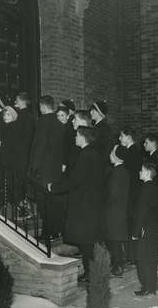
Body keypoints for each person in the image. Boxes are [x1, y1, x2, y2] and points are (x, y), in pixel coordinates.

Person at [48, 126, 104, 283]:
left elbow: (75, 180)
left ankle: (89, 274)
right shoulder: (96, 154)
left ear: (84, 137)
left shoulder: (85, 155)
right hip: (92, 203)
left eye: (77, 135)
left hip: (83, 204)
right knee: (89, 241)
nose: (75, 137)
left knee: (86, 242)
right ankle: (91, 272)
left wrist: (54, 187)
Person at [28, 95, 65, 238]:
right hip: (56, 169)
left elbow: (39, 146)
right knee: (53, 200)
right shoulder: (59, 122)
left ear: (42, 107)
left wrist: (34, 167)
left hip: (44, 169)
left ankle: (47, 231)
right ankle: (55, 230)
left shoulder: (43, 121)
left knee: (43, 201)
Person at [132, 162, 158, 296]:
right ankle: (153, 286)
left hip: (145, 229)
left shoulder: (145, 188)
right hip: (154, 229)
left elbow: (141, 212)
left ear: (148, 173)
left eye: (141, 170)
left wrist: (136, 232)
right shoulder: (155, 187)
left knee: (143, 260)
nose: (139, 172)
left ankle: (146, 287)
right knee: (151, 259)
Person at [119, 126, 143, 263]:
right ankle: (131, 256)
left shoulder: (132, 152)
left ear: (128, 137)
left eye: (121, 136)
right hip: (132, 194)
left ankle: (132, 256)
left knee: (131, 225)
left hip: (131, 194)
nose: (119, 138)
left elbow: (130, 176)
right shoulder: (132, 151)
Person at [105, 145, 130, 277]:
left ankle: (117, 266)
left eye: (112, 152)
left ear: (116, 156)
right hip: (121, 210)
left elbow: (112, 194)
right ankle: (119, 264)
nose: (110, 154)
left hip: (113, 212)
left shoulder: (115, 172)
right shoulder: (124, 171)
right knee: (117, 241)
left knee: (113, 241)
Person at [143, 133, 158, 223]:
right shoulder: (153, 157)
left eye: (146, 142)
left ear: (153, 143)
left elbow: (155, 180)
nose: (144, 144)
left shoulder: (155, 159)